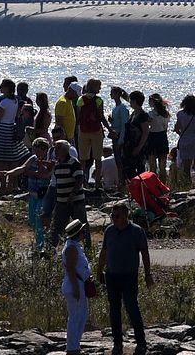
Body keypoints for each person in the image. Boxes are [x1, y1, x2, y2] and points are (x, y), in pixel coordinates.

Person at [98, 203, 153, 355]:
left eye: (117, 216)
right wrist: (99, 271)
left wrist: (148, 274)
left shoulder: (137, 231)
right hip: (112, 276)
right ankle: (117, 343)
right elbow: (103, 252)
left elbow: (145, 254)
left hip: (129, 276)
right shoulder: (109, 231)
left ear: (125, 216)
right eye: (112, 216)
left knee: (132, 308)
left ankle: (141, 342)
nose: (114, 219)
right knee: (114, 311)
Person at [2, 138, 53, 251]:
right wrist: (10, 172)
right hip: (33, 193)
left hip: (43, 194)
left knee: (40, 219)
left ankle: (41, 245)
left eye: (38, 150)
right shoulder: (33, 158)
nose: (35, 153)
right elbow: (23, 168)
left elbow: (44, 174)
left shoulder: (49, 159)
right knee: (32, 219)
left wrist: (32, 171)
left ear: (44, 149)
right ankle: (41, 239)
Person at [0, 79, 30, 194]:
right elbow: (16, 115)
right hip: (11, 128)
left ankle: (3, 186)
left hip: (2, 130)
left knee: (1, 159)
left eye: (2, 86)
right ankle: (11, 185)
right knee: (13, 158)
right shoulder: (16, 101)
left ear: (7, 88)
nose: (0, 88)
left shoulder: (4, 102)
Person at [49, 139, 89, 249]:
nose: (55, 151)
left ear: (64, 150)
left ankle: (88, 248)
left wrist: (73, 194)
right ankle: (50, 250)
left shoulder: (74, 163)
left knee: (81, 225)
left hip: (75, 201)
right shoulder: (57, 164)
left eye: (57, 148)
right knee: (56, 226)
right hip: (61, 201)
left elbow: (79, 179)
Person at [62, 219, 92, 355]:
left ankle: (75, 345)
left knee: (82, 315)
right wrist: (75, 288)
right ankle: (72, 347)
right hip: (75, 284)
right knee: (75, 316)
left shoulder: (75, 246)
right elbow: (70, 269)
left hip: (79, 284)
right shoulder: (71, 248)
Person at [76, 79, 110, 183]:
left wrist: (77, 130)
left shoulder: (80, 99)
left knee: (83, 159)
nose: (100, 88)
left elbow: (78, 116)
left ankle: (82, 182)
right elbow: (101, 117)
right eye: (98, 86)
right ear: (94, 87)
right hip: (96, 131)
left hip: (83, 131)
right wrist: (109, 129)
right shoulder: (98, 100)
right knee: (98, 158)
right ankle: (97, 184)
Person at [174, 94, 195, 185]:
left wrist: (182, 133)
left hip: (185, 140)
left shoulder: (180, 114)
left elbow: (177, 128)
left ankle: (187, 184)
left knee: (186, 166)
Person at [122, 91, 150, 179]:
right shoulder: (134, 113)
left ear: (134, 101)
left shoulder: (142, 115)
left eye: (131, 100)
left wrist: (139, 148)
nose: (129, 102)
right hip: (129, 145)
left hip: (137, 146)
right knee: (128, 169)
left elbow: (145, 132)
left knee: (139, 169)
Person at [147, 93, 170, 183]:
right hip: (162, 137)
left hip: (153, 137)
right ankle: (163, 184)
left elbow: (148, 125)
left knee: (152, 165)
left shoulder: (151, 114)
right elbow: (165, 127)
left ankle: (153, 184)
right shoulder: (165, 114)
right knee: (162, 165)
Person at [109, 87, 129, 188]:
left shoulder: (122, 108)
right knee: (117, 160)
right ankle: (120, 182)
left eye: (112, 93)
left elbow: (124, 125)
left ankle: (123, 182)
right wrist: (111, 121)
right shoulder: (115, 108)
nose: (110, 94)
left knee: (121, 161)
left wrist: (121, 139)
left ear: (117, 94)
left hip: (120, 137)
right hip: (115, 136)